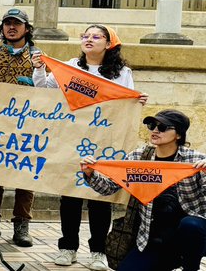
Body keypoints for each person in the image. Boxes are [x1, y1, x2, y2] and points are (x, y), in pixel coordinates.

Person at [32, 24, 149, 269]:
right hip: (71, 139)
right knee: (70, 196)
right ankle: (67, 248)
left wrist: (138, 100)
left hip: (104, 142)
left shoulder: (122, 72)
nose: (89, 39)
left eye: (96, 36)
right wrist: (40, 70)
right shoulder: (72, 66)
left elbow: (126, 103)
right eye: (86, 35)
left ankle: (98, 251)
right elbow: (44, 90)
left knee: (99, 198)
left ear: (109, 44)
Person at [81, 109, 206, 271]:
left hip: (190, 237)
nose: (155, 130)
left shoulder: (195, 160)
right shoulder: (139, 157)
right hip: (152, 236)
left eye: (162, 127)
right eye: (152, 125)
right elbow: (108, 188)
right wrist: (90, 173)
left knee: (191, 225)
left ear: (179, 135)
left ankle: (191, 267)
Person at [0, 8, 42, 246]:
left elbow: (51, 90)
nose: (11, 27)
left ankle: (22, 225)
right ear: (2, 28)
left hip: (28, 125)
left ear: (27, 28)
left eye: (17, 24)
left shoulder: (39, 57)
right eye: (7, 24)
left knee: (25, 176)